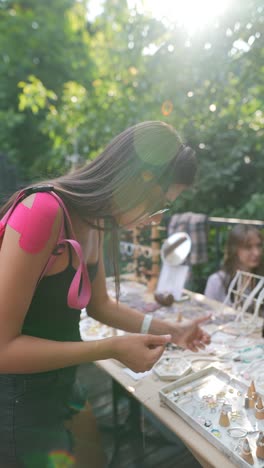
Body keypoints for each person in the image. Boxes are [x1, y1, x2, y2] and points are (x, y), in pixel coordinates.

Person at [0, 121, 210, 467]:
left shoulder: (95, 220)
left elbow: (101, 306)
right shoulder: (43, 211)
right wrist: (110, 348)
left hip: (61, 384)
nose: (156, 220)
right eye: (159, 203)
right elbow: (3, 350)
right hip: (17, 403)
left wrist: (174, 331)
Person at [204, 224, 263, 303]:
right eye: (248, 247)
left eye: (259, 245)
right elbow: (208, 313)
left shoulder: (260, 279)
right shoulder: (216, 282)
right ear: (234, 250)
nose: (257, 253)